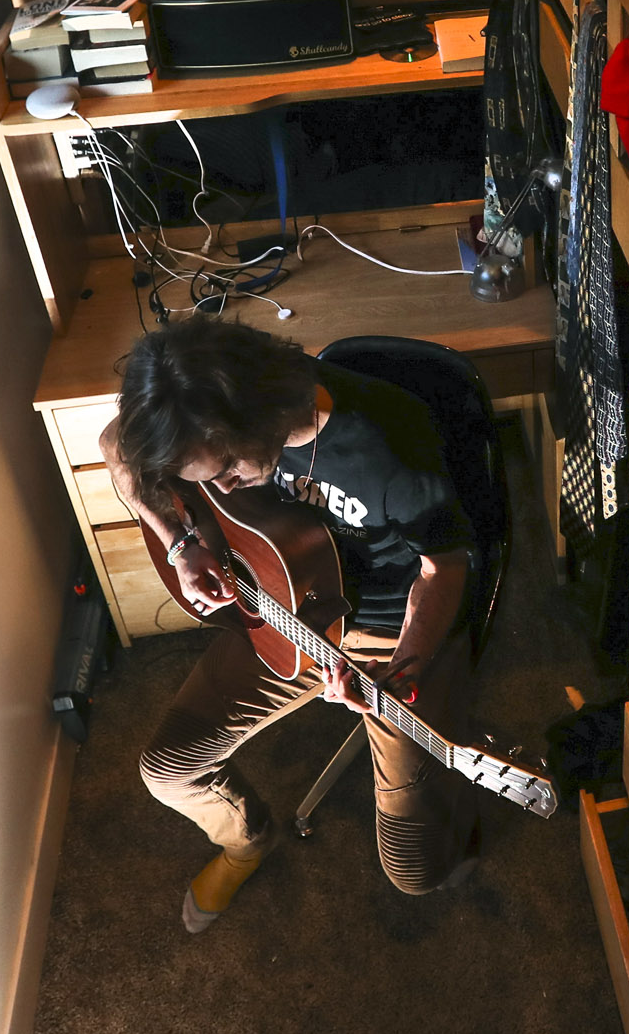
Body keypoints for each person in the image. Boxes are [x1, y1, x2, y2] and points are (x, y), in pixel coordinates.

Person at [100, 318, 481, 932]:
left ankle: (453, 799)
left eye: (227, 466)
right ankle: (248, 840)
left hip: (389, 628)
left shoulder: (389, 444)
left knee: (414, 869)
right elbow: (115, 447)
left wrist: (400, 677)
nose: (222, 485)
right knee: (167, 770)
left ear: (260, 413)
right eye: (206, 479)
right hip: (285, 604)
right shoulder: (192, 419)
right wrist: (180, 544)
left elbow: (445, 569)